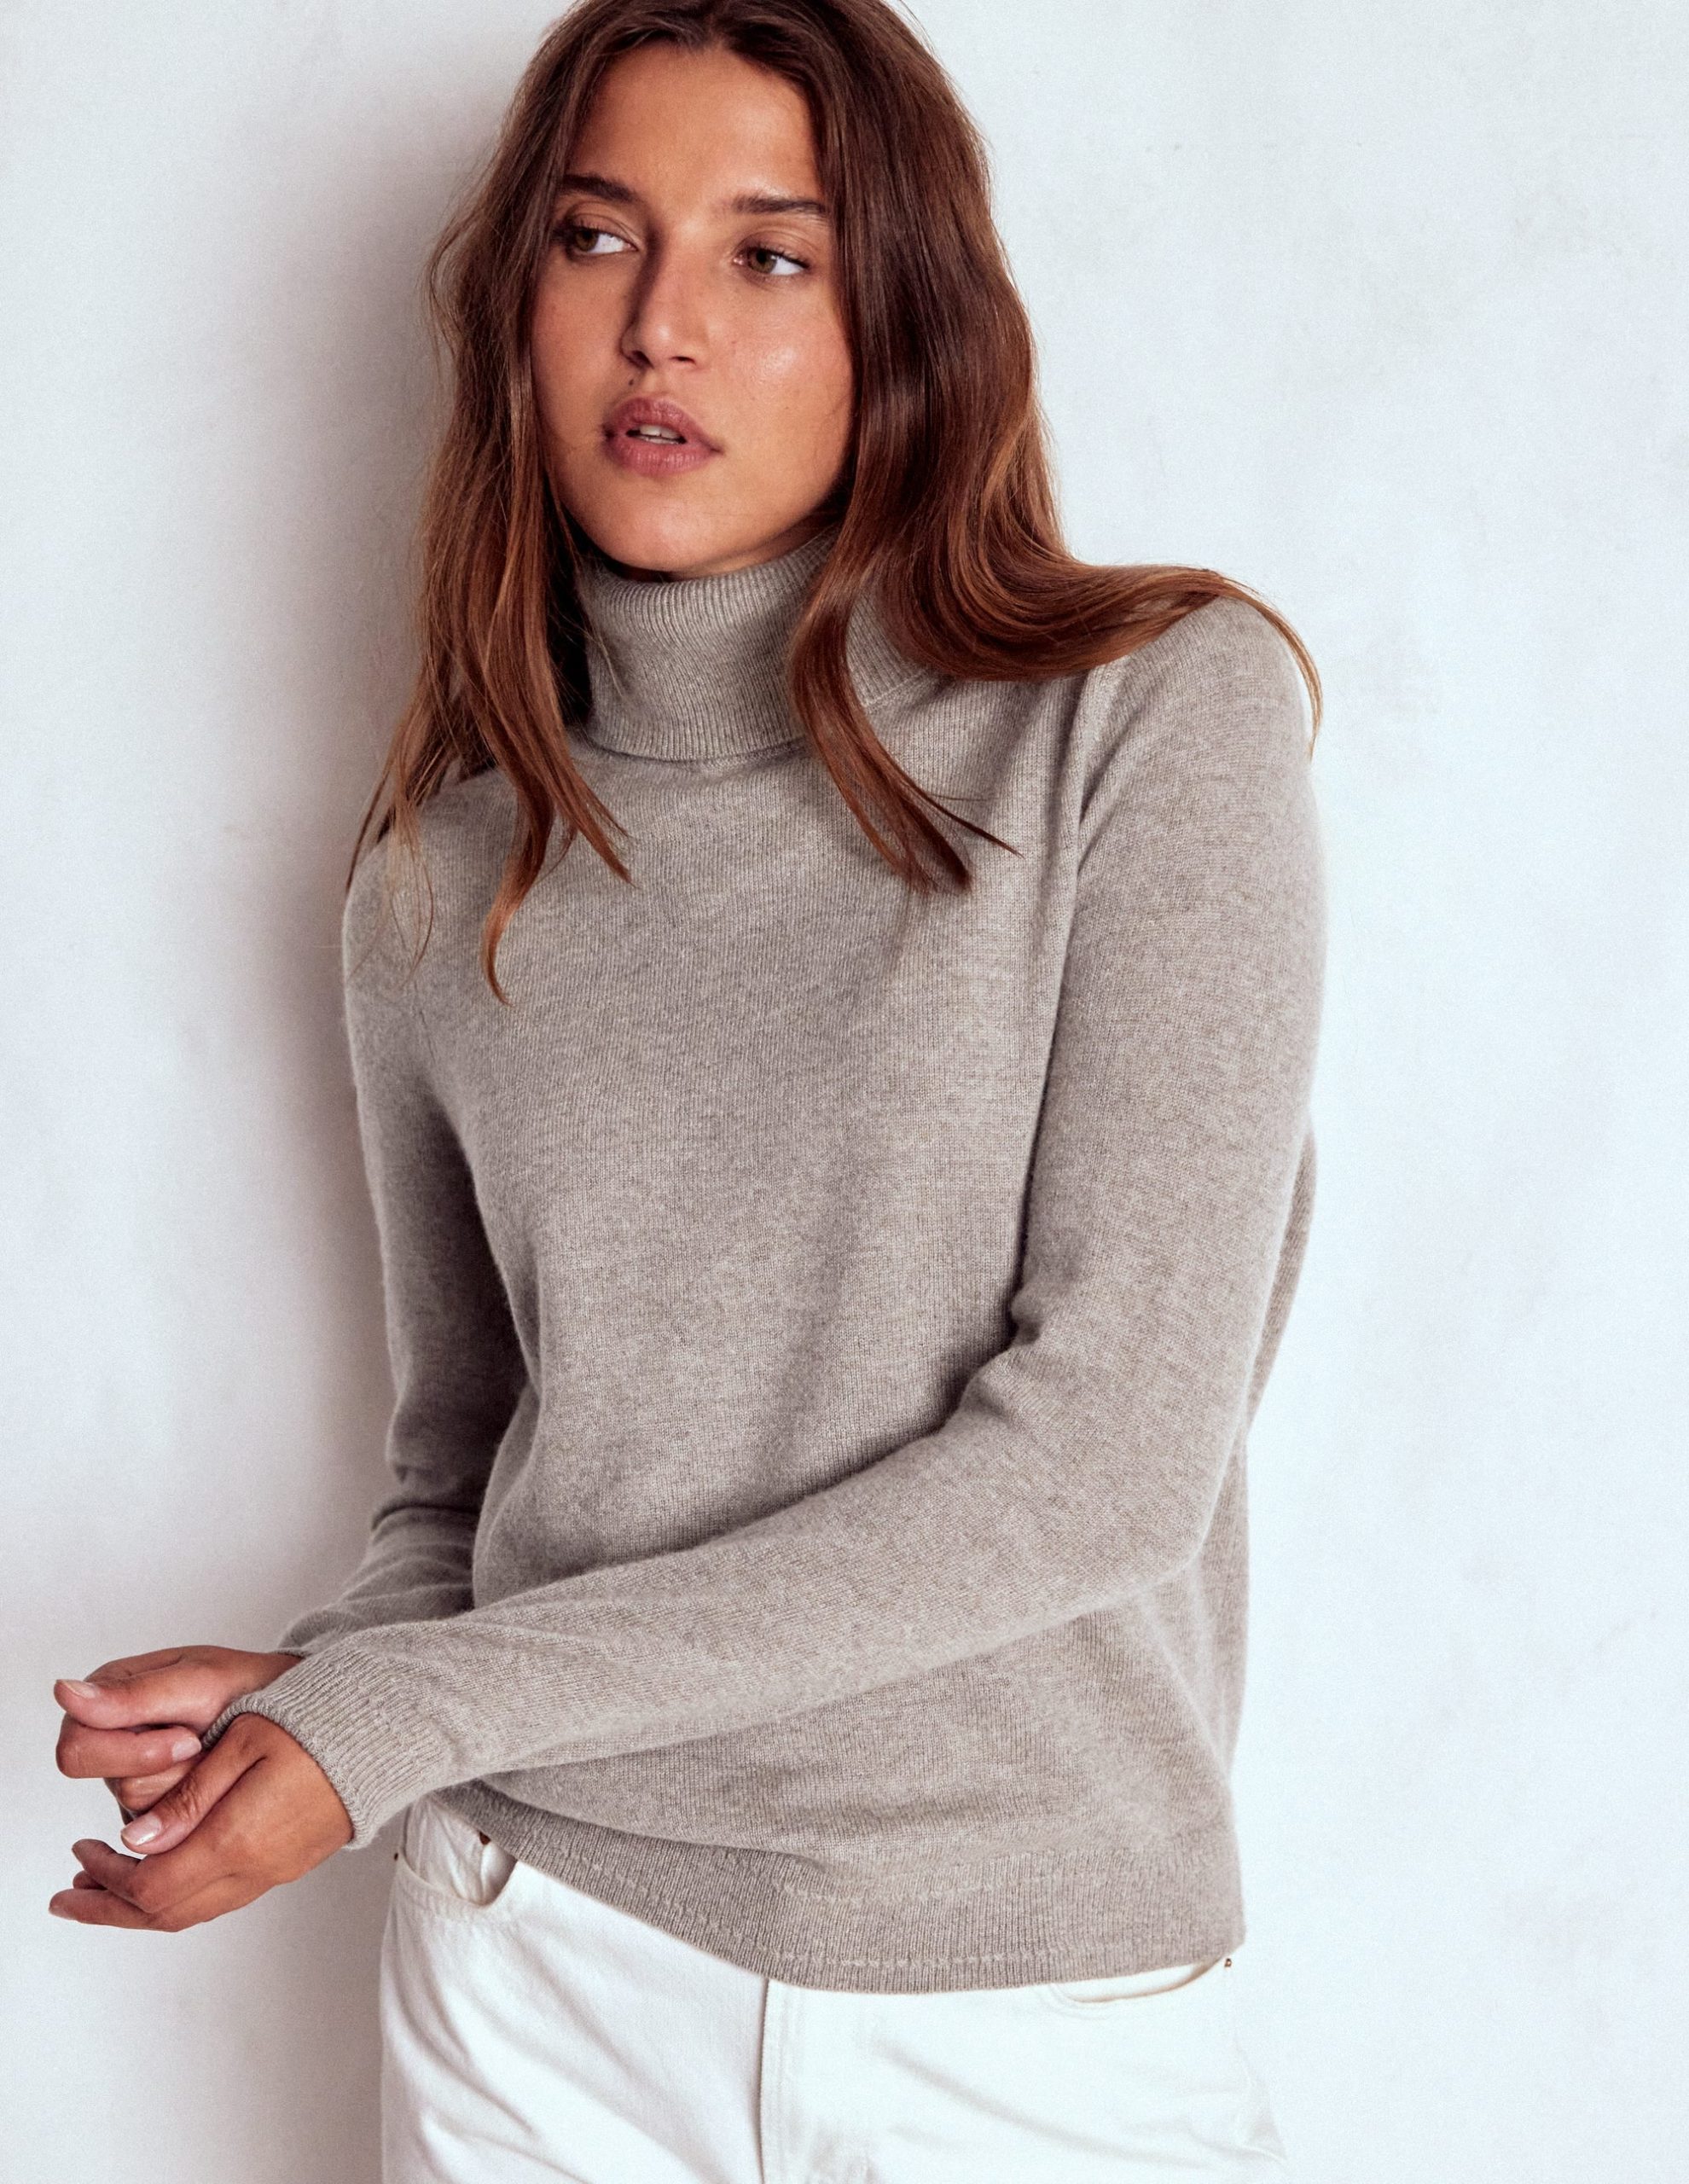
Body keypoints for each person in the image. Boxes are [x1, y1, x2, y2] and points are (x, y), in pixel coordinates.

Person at [49, 2, 1326, 2176]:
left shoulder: (1144, 724)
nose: (663, 322)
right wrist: (320, 1695)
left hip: (1014, 2018)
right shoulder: (443, 872)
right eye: (597, 236)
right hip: (532, 1978)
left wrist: (406, 1709)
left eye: (769, 251)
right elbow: (469, 1480)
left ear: (902, 318)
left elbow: (1106, 1461)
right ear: (519, 305)